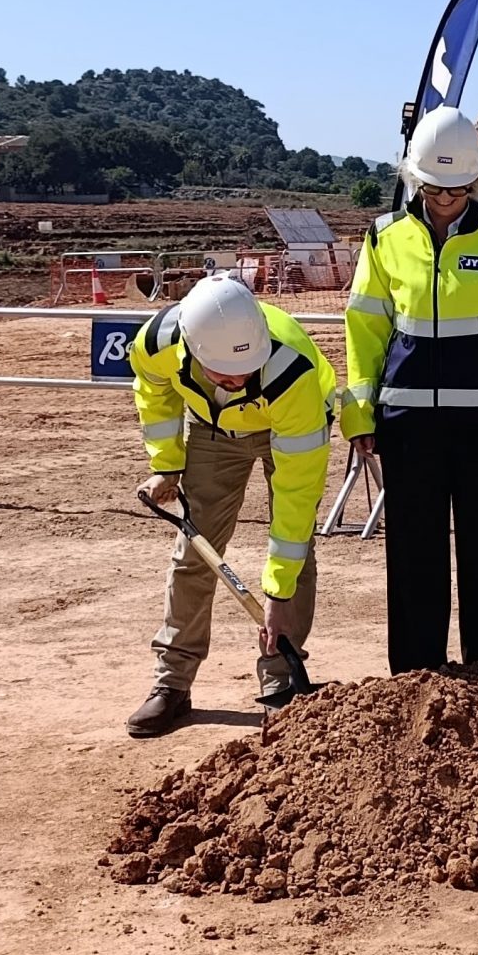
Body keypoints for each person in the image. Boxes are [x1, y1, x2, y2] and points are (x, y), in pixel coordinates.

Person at [343, 107, 478, 676]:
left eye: (458, 189)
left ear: (477, 181)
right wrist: (360, 415)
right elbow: (365, 329)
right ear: (415, 179)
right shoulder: (383, 239)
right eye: (434, 188)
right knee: (413, 557)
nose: (445, 199)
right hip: (407, 426)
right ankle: (414, 680)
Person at [125, 276, 334, 736]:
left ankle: (282, 684)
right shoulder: (158, 342)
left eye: (244, 369)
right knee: (194, 551)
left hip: (289, 422)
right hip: (212, 430)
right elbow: (155, 393)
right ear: (194, 350)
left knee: (295, 559)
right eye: (224, 372)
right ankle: (172, 684)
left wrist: (277, 593)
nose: (238, 379)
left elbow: (295, 504)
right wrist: (167, 465)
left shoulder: (289, 371)